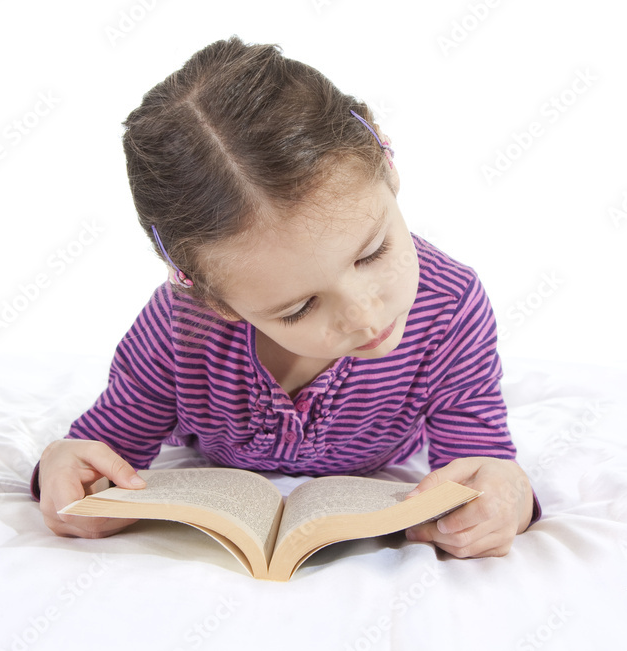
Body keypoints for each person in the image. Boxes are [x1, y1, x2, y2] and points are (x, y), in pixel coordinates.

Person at [32, 36, 540, 558]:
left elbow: (483, 465)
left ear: (385, 159)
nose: (366, 315)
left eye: (371, 253)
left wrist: (508, 498)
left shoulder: (451, 306)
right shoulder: (179, 329)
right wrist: (63, 466)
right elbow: (103, 452)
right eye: (299, 308)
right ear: (217, 303)